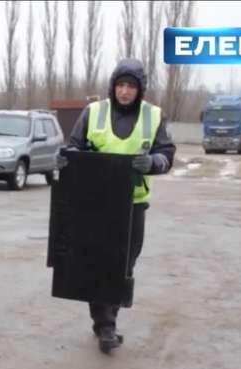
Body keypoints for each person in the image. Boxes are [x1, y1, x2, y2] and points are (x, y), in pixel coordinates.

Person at [65, 58, 176, 353]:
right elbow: (75, 146)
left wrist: (153, 162)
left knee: (125, 263)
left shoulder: (153, 116)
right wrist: (68, 158)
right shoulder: (94, 112)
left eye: (131, 86)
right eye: (120, 85)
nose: (125, 91)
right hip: (96, 202)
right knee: (98, 262)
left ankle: (106, 319)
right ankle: (105, 326)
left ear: (140, 90)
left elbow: (166, 153)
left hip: (133, 203)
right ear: (113, 86)